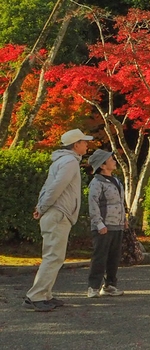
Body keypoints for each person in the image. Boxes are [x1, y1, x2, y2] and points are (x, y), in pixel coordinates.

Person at [22, 128, 94, 312]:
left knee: (54, 256)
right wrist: (42, 207)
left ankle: (45, 294)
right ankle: (36, 296)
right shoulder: (70, 162)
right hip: (58, 214)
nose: (87, 144)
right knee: (53, 257)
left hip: (55, 214)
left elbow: (49, 186)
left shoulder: (63, 161)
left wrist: (40, 207)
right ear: (76, 145)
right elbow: (55, 188)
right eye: (84, 142)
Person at [86, 149, 126, 298]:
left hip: (117, 225)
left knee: (114, 257)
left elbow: (121, 202)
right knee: (100, 256)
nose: (114, 161)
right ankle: (93, 287)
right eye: (111, 159)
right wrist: (98, 223)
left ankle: (110, 285)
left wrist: (124, 220)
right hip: (103, 225)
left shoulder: (117, 180)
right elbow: (93, 203)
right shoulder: (96, 182)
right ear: (103, 165)